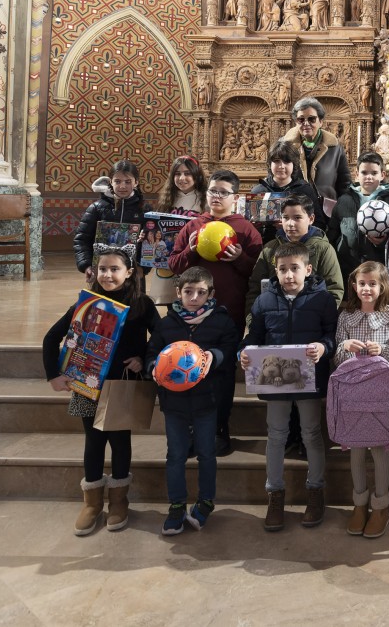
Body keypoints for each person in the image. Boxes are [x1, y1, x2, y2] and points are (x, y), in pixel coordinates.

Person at [43, 243, 160, 535]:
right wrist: (53, 375)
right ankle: (92, 502)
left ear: (130, 273)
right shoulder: (85, 305)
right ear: (95, 272)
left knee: (120, 441)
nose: (108, 275)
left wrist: (144, 358)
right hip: (86, 384)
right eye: (103, 269)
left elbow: (161, 338)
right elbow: (50, 338)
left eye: (115, 269)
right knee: (93, 441)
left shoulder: (142, 304)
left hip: (123, 383)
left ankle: (119, 501)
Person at [241, 242, 339, 532]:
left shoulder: (322, 300)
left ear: (308, 270)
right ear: (276, 270)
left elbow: (331, 334)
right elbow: (254, 335)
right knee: (276, 435)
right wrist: (244, 351)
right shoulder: (264, 300)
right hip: (275, 383)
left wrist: (324, 347)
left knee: (311, 433)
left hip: (309, 379)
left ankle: (315, 492)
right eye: (282, 269)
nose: (288, 275)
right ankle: (275, 495)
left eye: (294, 268)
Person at [167, 169, 264, 456]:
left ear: (235, 197)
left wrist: (240, 259)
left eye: (223, 192)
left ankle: (220, 430)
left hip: (227, 314)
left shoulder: (246, 230)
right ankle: (192, 432)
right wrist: (191, 252)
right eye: (212, 191)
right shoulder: (193, 226)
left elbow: (258, 274)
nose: (216, 197)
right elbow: (173, 264)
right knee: (189, 369)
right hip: (192, 316)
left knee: (221, 376)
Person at [146, 267, 240, 535]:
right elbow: (152, 353)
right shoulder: (167, 324)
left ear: (210, 293)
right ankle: (176, 505)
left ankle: (206, 501)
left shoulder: (221, 321)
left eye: (201, 292)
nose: (194, 297)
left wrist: (215, 356)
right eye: (188, 292)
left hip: (207, 401)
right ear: (178, 293)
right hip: (173, 403)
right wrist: (153, 367)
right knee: (175, 455)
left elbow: (231, 349)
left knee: (207, 453)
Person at [332, 262, 389, 538]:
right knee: (355, 449)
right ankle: (359, 504)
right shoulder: (346, 317)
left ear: (382, 287)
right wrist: (344, 346)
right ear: (354, 285)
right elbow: (336, 360)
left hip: (379, 393)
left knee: (379, 449)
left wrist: (383, 350)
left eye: (372, 284)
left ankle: (381, 505)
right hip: (352, 394)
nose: (366, 288)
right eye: (362, 283)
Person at [248, 194, 344, 305]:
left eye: (297, 218)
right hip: (274, 318)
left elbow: (334, 289)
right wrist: (253, 320)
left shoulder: (323, 249)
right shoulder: (270, 249)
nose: (290, 223)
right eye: (286, 217)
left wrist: (319, 318)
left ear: (311, 219)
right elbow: (254, 289)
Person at [327, 151, 389, 276]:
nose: (369, 177)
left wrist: (383, 243)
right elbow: (332, 232)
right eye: (364, 173)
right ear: (357, 175)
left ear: (382, 175)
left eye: (374, 173)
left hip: (379, 268)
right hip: (348, 268)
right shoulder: (344, 201)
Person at [73, 159, 152, 275]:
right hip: (103, 272)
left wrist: (143, 268)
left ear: (136, 182)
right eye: (118, 181)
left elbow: (151, 242)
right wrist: (86, 266)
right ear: (111, 182)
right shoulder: (96, 208)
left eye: (128, 181)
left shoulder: (145, 210)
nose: (122, 186)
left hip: (133, 273)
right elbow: (81, 239)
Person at [150, 156, 207, 307]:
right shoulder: (167, 199)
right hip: (169, 257)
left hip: (193, 256)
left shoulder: (205, 200)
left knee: (192, 301)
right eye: (177, 173)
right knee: (172, 304)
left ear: (197, 175)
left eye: (188, 173)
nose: (182, 178)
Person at [281, 97, 351, 217]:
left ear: (321, 121)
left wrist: (342, 214)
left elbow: (344, 185)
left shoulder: (335, 148)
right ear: (295, 122)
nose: (306, 123)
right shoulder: (284, 146)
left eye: (312, 119)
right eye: (301, 119)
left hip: (327, 213)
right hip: (293, 213)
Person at [249, 139, 327, 239]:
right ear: (270, 164)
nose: (281, 166)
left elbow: (319, 223)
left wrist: (292, 225)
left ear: (294, 164)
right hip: (266, 245)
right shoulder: (258, 191)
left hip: (298, 245)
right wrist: (252, 226)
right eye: (276, 161)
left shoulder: (304, 189)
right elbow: (250, 229)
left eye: (286, 162)